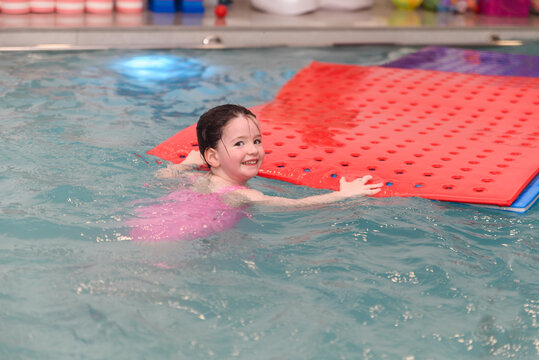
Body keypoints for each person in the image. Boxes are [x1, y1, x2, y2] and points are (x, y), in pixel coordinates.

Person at [129, 104, 382, 242]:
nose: (253, 150)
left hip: (143, 225)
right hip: (174, 244)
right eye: (239, 143)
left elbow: (162, 177)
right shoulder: (241, 195)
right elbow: (297, 205)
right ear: (213, 157)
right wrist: (343, 195)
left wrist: (186, 163)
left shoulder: (194, 178)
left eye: (257, 141)